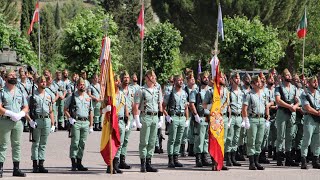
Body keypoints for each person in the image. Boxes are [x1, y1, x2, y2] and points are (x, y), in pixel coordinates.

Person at [133, 70, 164, 173]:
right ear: (147, 78)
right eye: (152, 76)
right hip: (145, 117)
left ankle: (149, 163)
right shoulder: (141, 90)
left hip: (155, 117)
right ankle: (142, 164)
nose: (154, 78)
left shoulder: (157, 89)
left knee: (152, 141)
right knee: (144, 142)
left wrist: (161, 118)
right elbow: (136, 106)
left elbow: (160, 105)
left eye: (154, 76)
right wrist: (137, 120)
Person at [0, 69, 29, 177]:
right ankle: (0, 168)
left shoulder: (20, 91)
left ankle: (16, 169)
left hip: (18, 122)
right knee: (3, 145)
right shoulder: (2, 92)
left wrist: (21, 114)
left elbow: (26, 107)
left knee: (17, 145)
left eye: (14, 75)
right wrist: (10, 113)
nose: (13, 77)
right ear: (5, 78)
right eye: (11, 75)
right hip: (5, 121)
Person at [64, 78, 94, 171]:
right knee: (75, 143)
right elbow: (65, 109)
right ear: (77, 86)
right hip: (76, 122)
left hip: (85, 122)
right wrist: (70, 118)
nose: (82, 86)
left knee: (82, 143)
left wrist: (91, 125)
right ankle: (73, 163)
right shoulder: (72, 96)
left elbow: (91, 111)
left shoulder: (88, 97)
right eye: (80, 84)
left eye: (83, 85)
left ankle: (79, 162)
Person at [242, 76, 269, 170]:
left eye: (260, 82)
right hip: (252, 119)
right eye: (257, 82)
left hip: (261, 119)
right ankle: (251, 162)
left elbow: (266, 106)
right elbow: (244, 108)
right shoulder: (249, 94)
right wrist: (246, 120)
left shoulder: (263, 94)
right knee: (251, 141)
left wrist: (267, 118)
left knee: (259, 141)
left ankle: (257, 161)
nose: (259, 83)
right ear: (252, 84)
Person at [28, 76, 55, 173]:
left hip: (46, 120)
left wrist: (53, 124)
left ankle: (41, 164)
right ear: (38, 83)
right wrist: (30, 120)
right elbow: (26, 110)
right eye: (42, 82)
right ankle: (35, 165)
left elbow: (51, 111)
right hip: (37, 120)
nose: (44, 83)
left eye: (45, 82)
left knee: (43, 144)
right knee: (36, 143)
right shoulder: (32, 96)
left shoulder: (48, 95)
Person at [275, 69, 299, 166]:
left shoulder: (294, 88)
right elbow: (278, 100)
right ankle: (279, 157)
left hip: (292, 113)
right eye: (287, 75)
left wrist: (295, 106)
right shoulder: (278, 88)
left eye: (289, 75)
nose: (289, 77)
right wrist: (289, 106)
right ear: (283, 77)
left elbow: (298, 100)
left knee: (290, 136)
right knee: (280, 136)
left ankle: (288, 158)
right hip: (282, 112)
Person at [163, 74, 189, 168]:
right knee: (172, 139)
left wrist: (187, 118)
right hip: (173, 117)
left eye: (182, 80)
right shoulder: (170, 93)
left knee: (179, 139)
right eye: (179, 80)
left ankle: (176, 158)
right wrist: (167, 117)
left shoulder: (184, 93)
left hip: (182, 118)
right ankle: (170, 160)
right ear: (174, 82)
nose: (181, 82)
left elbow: (186, 107)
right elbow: (163, 107)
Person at [300, 76, 320, 169]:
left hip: (318, 120)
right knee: (306, 140)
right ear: (309, 83)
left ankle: (315, 160)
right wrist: (317, 113)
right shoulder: (304, 93)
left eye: (316, 82)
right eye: (314, 82)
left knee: (317, 141)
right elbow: (307, 107)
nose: (316, 83)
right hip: (309, 118)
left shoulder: (319, 93)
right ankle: (303, 160)